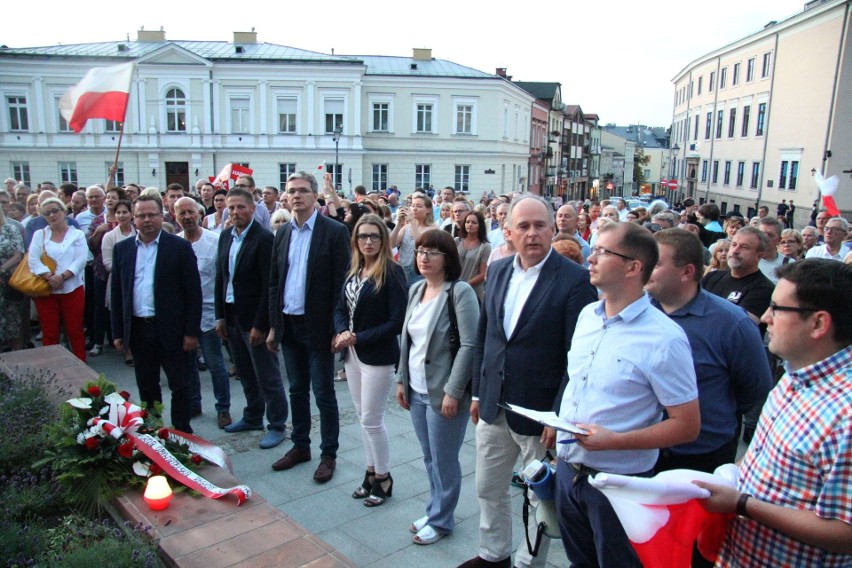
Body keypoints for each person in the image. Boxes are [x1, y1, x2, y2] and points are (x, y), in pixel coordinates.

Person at [459, 195, 597, 568]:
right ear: (508, 232)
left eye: (540, 225)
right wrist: (476, 391)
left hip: (540, 415)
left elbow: (578, 358)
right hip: (494, 403)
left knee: (541, 496)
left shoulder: (576, 281)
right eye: (524, 226)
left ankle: (527, 562)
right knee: (487, 487)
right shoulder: (499, 270)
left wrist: (558, 413)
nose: (532, 233)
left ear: (553, 229)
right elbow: (487, 335)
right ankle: (494, 553)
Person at [555, 222, 701, 568]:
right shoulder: (587, 315)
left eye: (603, 252)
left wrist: (614, 440)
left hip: (620, 484)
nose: (590, 257)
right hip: (568, 470)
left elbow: (686, 426)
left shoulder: (664, 338)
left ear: (634, 267)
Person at [695, 260, 852, 567]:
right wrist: (730, 476)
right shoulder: (795, 376)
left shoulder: (845, 411)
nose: (766, 317)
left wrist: (742, 503)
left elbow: (845, 531)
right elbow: (764, 457)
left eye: (777, 308)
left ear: (819, 324)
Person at [646, 228, 772, 476]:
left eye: (656, 263)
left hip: (701, 456)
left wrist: (715, 412)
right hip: (641, 451)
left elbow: (755, 387)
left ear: (687, 272)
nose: (645, 269)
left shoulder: (731, 324)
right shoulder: (637, 313)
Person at [267, 172, 350, 483]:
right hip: (289, 324)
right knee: (297, 389)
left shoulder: (334, 231)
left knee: (323, 393)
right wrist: (274, 326)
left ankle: (329, 454)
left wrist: (335, 328)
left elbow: (340, 284)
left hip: (318, 327)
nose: (296, 196)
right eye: (292, 191)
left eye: (303, 190)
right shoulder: (282, 233)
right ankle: (300, 446)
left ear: (316, 196)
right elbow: (275, 282)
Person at [397, 230, 479, 545]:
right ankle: (435, 509)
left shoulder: (458, 292)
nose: (424, 257)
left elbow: (470, 345)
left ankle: (443, 520)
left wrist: (454, 391)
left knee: (444, 459)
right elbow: (407, 341)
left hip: (444, 392)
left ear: (448, 258)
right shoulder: (416, 290)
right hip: (417, 388)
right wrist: (401, 380)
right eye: (420, 251)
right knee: (429, 456)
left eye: (432, 252)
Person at [110, 194, 202, 433]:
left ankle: (182, 431)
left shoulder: (179, 247)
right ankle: (153, 429)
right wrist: (119, 332)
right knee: (147, 386)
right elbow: (119, 294)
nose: (147, 220)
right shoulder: (122, 250)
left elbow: (193, 292)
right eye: (141, 215)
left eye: (152, 215)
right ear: (133, 218)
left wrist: (191, 332)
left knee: (180, 385)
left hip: (173, 329)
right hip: (140, 329)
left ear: (162, 216)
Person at [333, 214, 407, 507]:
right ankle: (370, 472)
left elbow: (397, 321)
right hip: (351, 354)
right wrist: (341, 331)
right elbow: (339, 307)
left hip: (377, 355)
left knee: (371, 420)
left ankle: (384, 478)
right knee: (364, 417)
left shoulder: (392, 271)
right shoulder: (354, 268)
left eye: (374, 236)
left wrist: (358, 337)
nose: (368, 241)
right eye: (362, 236)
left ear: (383, 240)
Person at [214, 188, 288, 446]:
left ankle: (277, 424)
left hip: (254, 320)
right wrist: (220, 317)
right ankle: (253, 415)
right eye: (231, 208)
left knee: (267, 375)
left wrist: (261, 324)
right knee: (244, 372)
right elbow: (221, 278)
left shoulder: (264, 239)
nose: (235, 212)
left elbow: (270, 285)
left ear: (253, 210)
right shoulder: (225, 237)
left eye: (240, 207)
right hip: (232, 316)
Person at [175, 197, 233, 429]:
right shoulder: (174, 243)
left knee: (215, 363)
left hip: (209, 313)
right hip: (183, 316)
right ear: (175, 216)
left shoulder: (215, 241)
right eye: (182, 213)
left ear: (199, 214)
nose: (187, 217)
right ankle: (194, 402)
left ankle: (223, 408)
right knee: (187, 363)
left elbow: (223, 279)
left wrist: (222, 315)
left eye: (191, 212)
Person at [29, 197, 88, 361]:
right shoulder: (39, 235)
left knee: (75, 329)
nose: (52, 215)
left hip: (72, 288)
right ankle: (51, 365)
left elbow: (81, 259)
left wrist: (62, 277)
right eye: (47, 213)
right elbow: (33, 260)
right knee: (49, 330)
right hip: (47, 289)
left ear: (64, 211)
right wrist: (50, 277)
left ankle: (80, 362)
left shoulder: (77, 234)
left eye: (55, 211)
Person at [101, 199, 136, 366]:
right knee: (121, 313)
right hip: (118, 281)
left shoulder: (137, 233)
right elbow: (107, 263)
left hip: (137, 281)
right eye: (118, 212)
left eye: (125, 212)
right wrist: (126, 271)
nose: (121, 215)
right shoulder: (109, 236)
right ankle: (127, 350)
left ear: (131, 214)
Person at [391, 194, 437, 283]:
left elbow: (421, 245)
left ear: (428, 209)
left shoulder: (433, 228)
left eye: (419, 206)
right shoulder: (406, 227)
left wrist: (412, 222)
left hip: (419, 272)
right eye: (413, 206)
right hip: (402, 269)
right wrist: (398, 224)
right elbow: (391, 244)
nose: (415, 209)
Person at [0, 201, 24, 351]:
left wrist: (1, 269)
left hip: (8, 279)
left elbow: (18, 255)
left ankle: (18, 357)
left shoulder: (10, 229)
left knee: (13, 321)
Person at [455, 210, 490, 303]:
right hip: (453, 288)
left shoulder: (485, 247)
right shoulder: (457, 241)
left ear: (480, 226)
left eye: (474, 222)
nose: (470, 225)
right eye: (467, 222)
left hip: (473, 292)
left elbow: (483, 274)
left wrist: (465, 286)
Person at [757, 217, 789, 284]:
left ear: (779, 240)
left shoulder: (789, 264)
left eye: (770, 235)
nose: (765, 238)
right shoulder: (747, 260)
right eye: (761, 234)